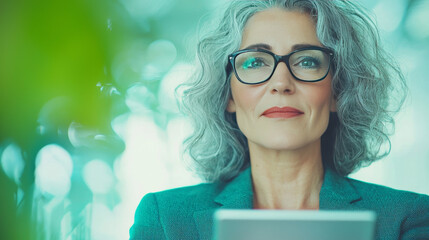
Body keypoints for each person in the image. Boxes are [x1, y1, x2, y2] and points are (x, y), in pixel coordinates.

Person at [129, 0, 429, 239]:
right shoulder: (165, 218)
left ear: (338, 91)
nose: (281, 83)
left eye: (307, 61)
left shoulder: (408, 217)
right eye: (255, 62)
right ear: (229, 95)